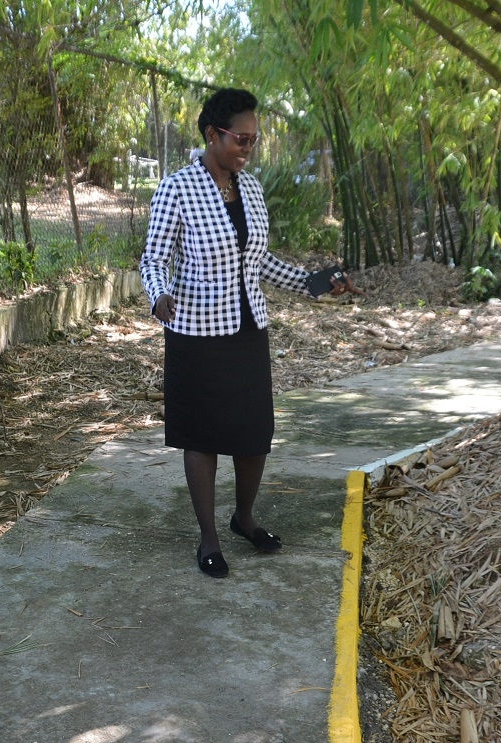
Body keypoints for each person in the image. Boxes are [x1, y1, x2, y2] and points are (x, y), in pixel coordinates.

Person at [140, 87, 357, 578]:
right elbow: (154, 259)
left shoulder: (252, 189)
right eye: (241, 138)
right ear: (213, 134)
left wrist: (317, 283)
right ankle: (209, 538)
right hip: (194, 328)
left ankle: (244, 518)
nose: (248, 148)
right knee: (202, 435)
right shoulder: (178, 188)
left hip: (246, 328)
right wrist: (158, 296)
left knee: (253, 434)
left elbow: (260, 264)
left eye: (254, 141)